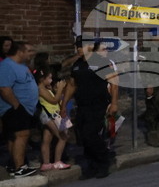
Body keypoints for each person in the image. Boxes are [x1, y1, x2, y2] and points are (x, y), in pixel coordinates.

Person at [61, 37, 116, 178]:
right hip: (83, 105)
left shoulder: (100, 62)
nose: (79, 49)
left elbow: (114, 82)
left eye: (82, 46)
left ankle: (103, 161)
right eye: (78, 46)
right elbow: (72, 85)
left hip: (98, 104)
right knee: (82, 137)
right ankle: (92, 165)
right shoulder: (77, 65)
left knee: (90, 133)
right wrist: (63, 105)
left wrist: (114, 103)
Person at [0, 40, 39, 177]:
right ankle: (19, 167)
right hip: (14, 108)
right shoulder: (7, 66)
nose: (32, 54)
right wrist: (16, 105)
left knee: (15, 136)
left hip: (24, 108)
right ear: (19, 52)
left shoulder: (21, 65)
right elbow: (4, 88)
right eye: (29, 51)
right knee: (21, 135)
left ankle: (14, 164)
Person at [35, 67, 70, 170]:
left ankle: (46, 163)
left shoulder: (45, 88)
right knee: (62, 137)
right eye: (49, 78)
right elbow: (54, 100)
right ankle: (57, 162)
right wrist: (59, 89)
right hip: (49, 115)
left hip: (50, 115)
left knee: (47, 138)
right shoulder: (40, 88)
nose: (51, 80)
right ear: (42, 79)